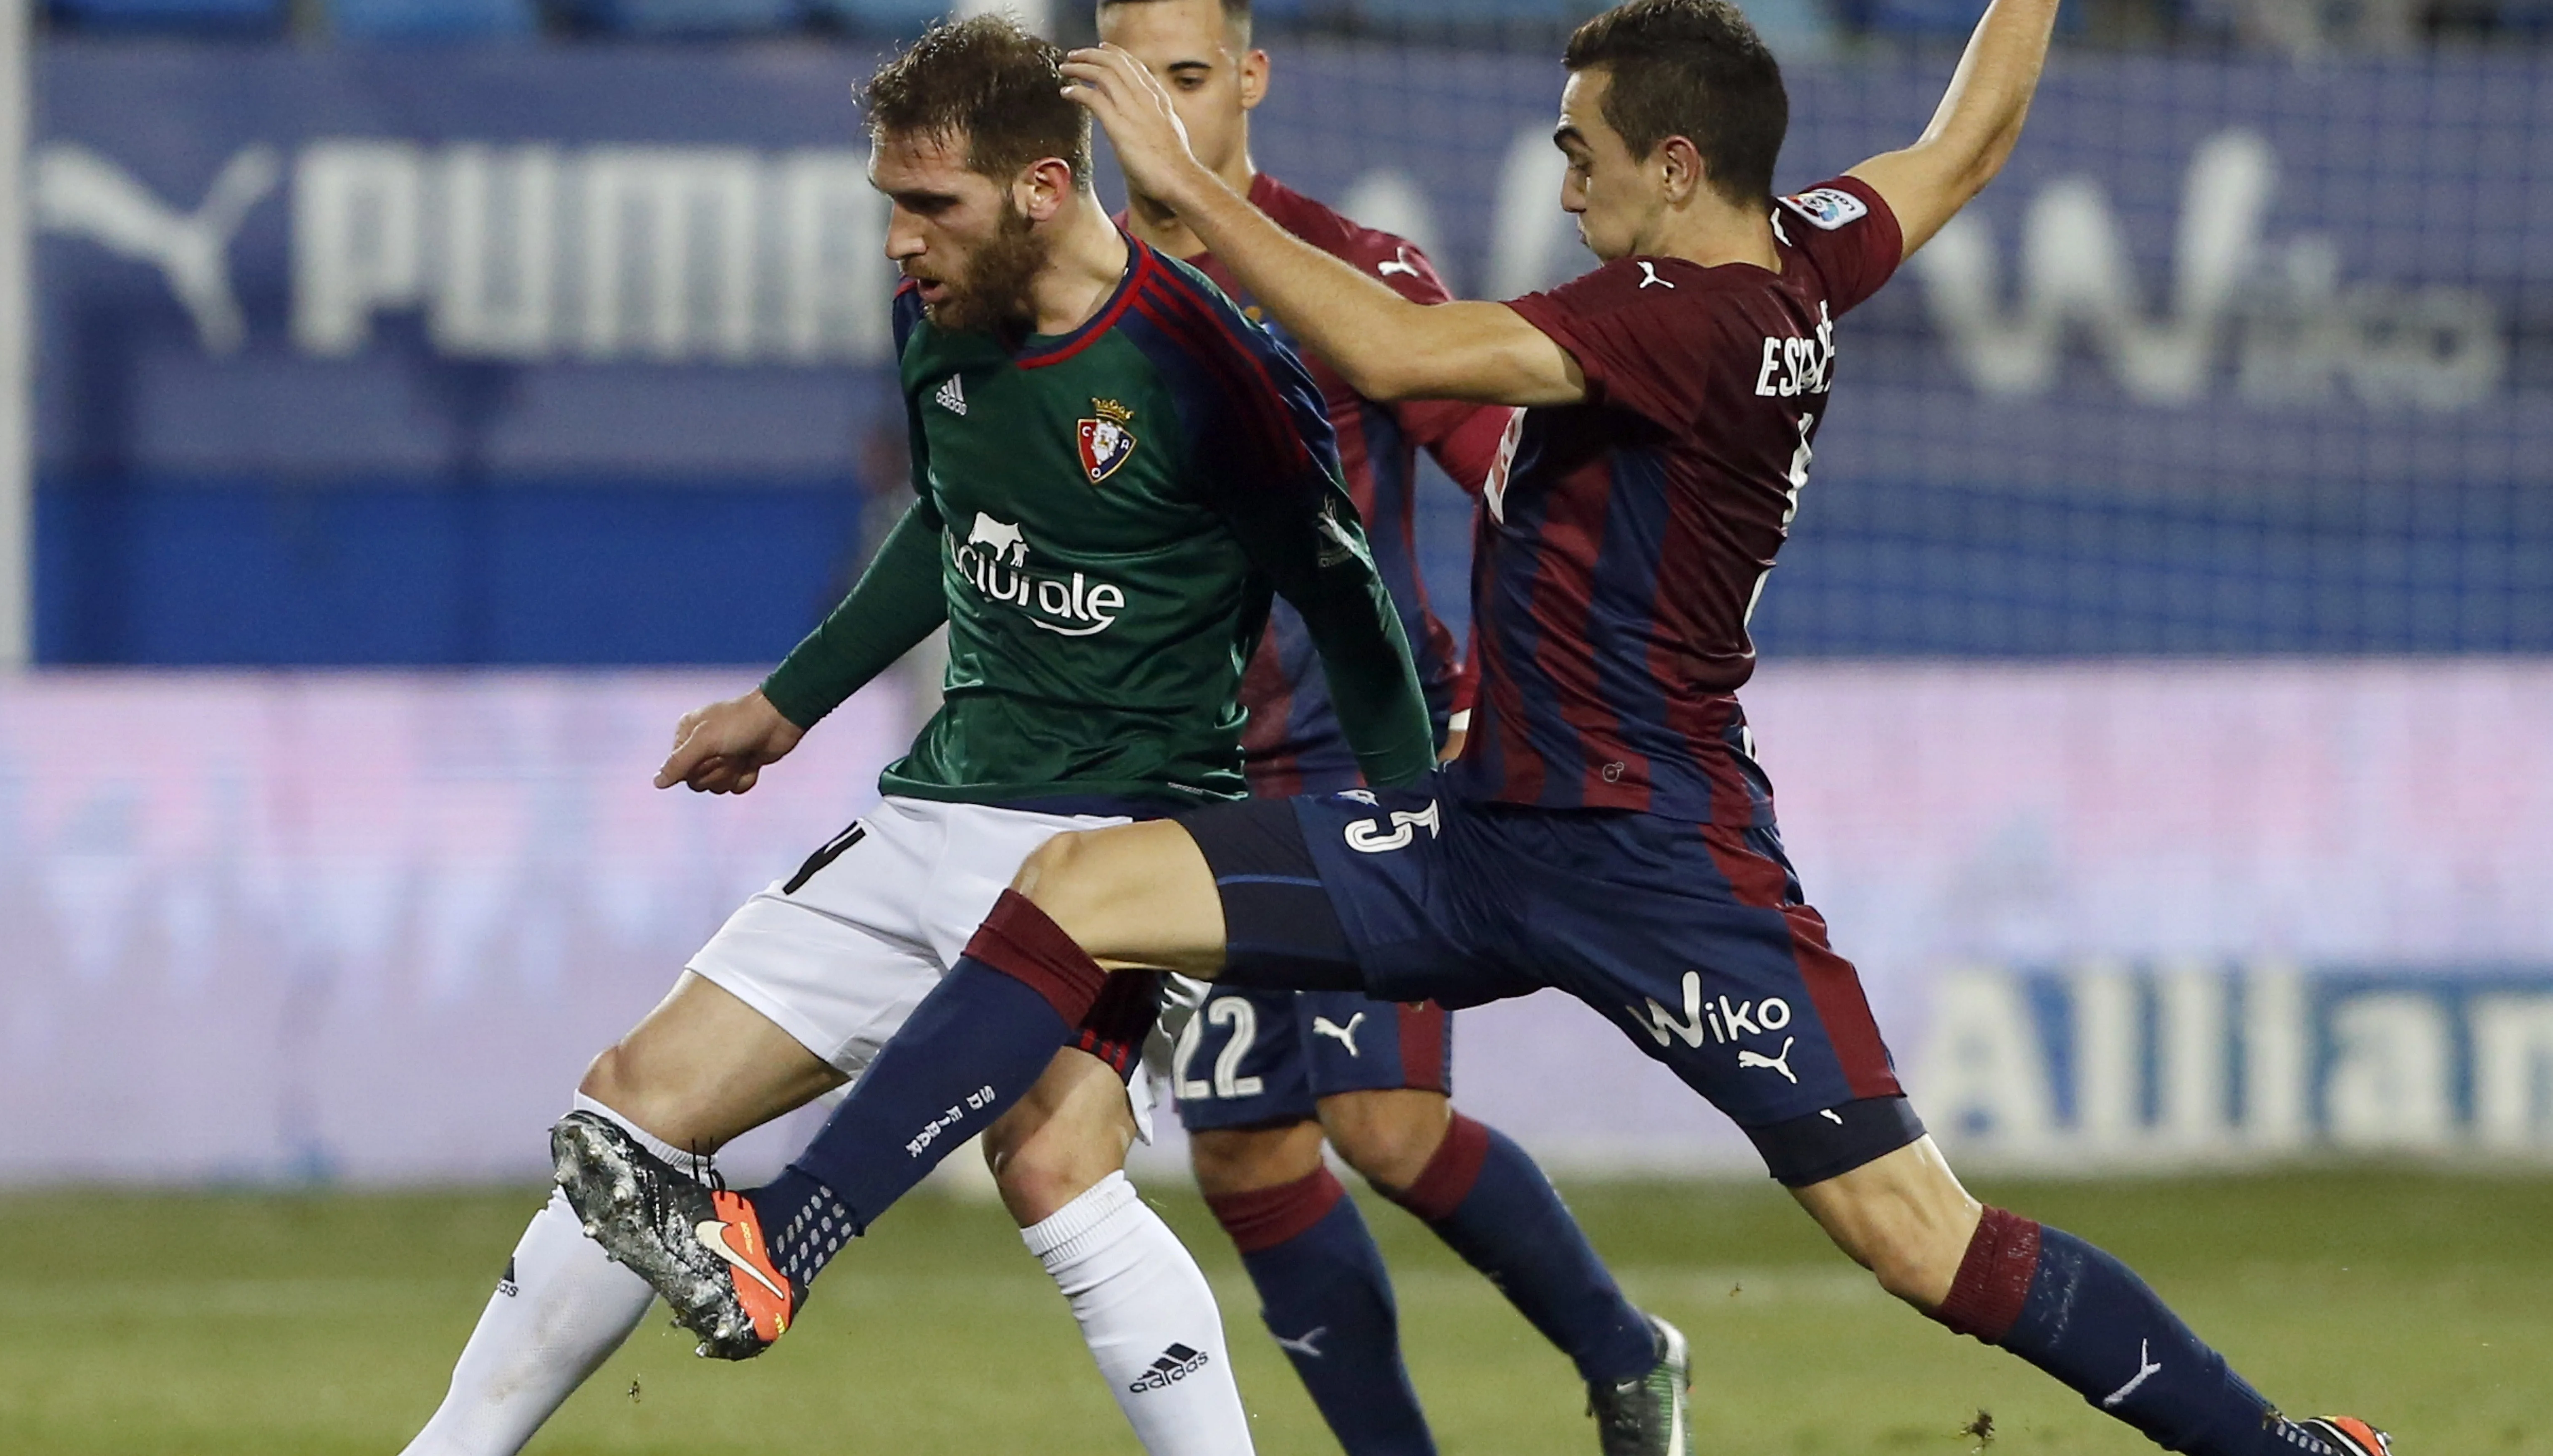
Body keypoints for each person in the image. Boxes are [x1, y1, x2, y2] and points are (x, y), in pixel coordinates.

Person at [555, 3, 2395, 1454]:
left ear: (1673, 168)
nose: (1559, 167)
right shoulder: (1812, 247)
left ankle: (2278, 1450)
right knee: (1079, 892)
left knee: (1920, 1242)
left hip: (1655, 860)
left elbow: (1396, 359)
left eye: (1580, 145)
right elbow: (1967, 137)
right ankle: (777, 1250)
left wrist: (1183, 200)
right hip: (1475, 825)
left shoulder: (1674, 317)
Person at [401, 17, 1442, 1456]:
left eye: (930, 205)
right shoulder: (937, 318)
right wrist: (787, 704)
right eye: (890, 202)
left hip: (1117, 843)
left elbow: (1349, 602)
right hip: (937, 805)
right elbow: (950, 521)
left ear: (1041, 188)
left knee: (1051, 1164)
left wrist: (1409, 838)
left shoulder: (1213, 366)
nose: (901, 239)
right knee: (632, 1112)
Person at [1096, 3, 1682, 1453]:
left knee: (1387, 1127)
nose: (1165, 116)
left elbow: (1502, 466)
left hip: (1376, 759)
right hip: (1201, 789)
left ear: (1250, 79)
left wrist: (1534, 662)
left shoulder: (1352, 271)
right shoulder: (1072, 289)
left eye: (1192, 79)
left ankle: (1626, 1352)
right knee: (1242, 1151)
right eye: (1138, 83)